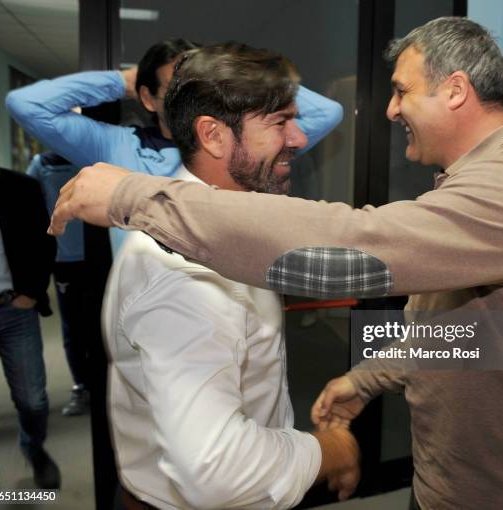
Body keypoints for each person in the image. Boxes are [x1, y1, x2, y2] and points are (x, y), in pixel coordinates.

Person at [48, 17, 503, 509]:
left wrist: (138, 197)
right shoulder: (471, 185)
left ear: (455, 91)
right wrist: (367, 380)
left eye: (401, 91)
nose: (390, 108)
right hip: (446, 483)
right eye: (281, 121)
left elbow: (354, 250)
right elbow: (495, 334)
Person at [102, 43, 359, 510]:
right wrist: (329, 451)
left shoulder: (225, 231)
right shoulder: (182, 271)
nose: (299, 138)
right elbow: (215, 469)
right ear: (214, 136)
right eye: (280, 121)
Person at [6, 39, 343, 252]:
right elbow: (28, 105)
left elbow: (327, 113)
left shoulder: (237, 145)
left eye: (198, 86)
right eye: (174, 89)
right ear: (147, 99)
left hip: (235, 281)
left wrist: (240, 76)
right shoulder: (117, 145)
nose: (189, 98)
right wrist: (122, 81)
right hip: (153, 293)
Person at [0, 163, 59, 489]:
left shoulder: (19, 186)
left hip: (13, 307)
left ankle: (34, 447)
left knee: (33, 399)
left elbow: (44, 240)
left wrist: (31, 292)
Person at [27, 152, 89, 416]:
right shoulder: (41, 165)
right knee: (72, 327)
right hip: (64, 258)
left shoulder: (86, 156)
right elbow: (27, 202)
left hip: (95, 255)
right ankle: (82, 386)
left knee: (101, 322)